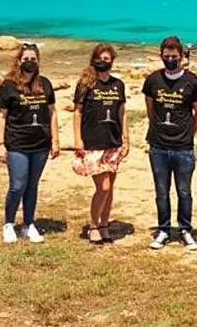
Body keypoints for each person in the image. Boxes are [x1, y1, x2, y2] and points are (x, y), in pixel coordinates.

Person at [143, 36, 197, 251]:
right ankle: (164, 229)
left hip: (183, 147)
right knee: (161, 191)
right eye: (167, 56)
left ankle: (185, 229)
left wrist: (188, 134)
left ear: (182, 56)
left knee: (184, 191)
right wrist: (158, 130)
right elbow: (150, 109)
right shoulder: (153, 80)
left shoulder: (193, 82)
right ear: (161, 55)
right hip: (158, 146)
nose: (170, 59)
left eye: (174, 56)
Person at [0, 43, 59, 244]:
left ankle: (28, 224)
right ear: (19, 61)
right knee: (18, 185)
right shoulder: (8, 86)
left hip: (40, 144)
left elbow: (52, 112)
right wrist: (0, 144)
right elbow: (1, 116)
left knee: (32, 185)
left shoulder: (45, 84)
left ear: (38, 61)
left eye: (33, 59)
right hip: (17, 144)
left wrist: (55, 140)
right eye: (26, 59)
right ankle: (8, 223)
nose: (29, 62)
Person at [72, 43, 129, 244]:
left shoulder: (118, 84)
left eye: (106, 59)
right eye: (99, 58)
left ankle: (104, 224)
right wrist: (77, 139)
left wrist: (126, 138)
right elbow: (77, 112)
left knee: (110, 187)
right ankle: (93, 225)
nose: (103, 62)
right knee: (103, 187)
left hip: (113, 142)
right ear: (93, 60)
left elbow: (122, 112)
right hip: (92, 143)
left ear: (112, 61)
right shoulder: (85, 84)